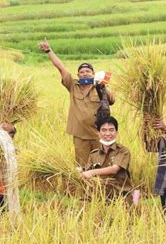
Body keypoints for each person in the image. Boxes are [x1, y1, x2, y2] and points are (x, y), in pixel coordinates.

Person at [40, 39, 115, 168]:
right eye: (82, 72)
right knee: (81, 166)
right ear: (78, 75)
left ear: (93, 74)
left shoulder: (99, 87)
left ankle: (99, 188)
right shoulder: (73, 86)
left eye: (88, 72)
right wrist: (49, 51)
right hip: (80, 135)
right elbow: (61, 68)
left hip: (98, 134)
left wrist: (103, 85)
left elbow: (112, 100)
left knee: (100, 164)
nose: (85, 74)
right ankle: (83, 188)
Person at [81, 116, 132, 199]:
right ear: (98, 133)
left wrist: (91, 173)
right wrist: (82, 171)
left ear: (116, 133)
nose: (108, 134)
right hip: (100, 195)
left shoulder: (123, 151)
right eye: (104, 130)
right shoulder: (93, 154)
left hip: (121, 195)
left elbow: (114, 169)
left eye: (111, 130)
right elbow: (87, 172)